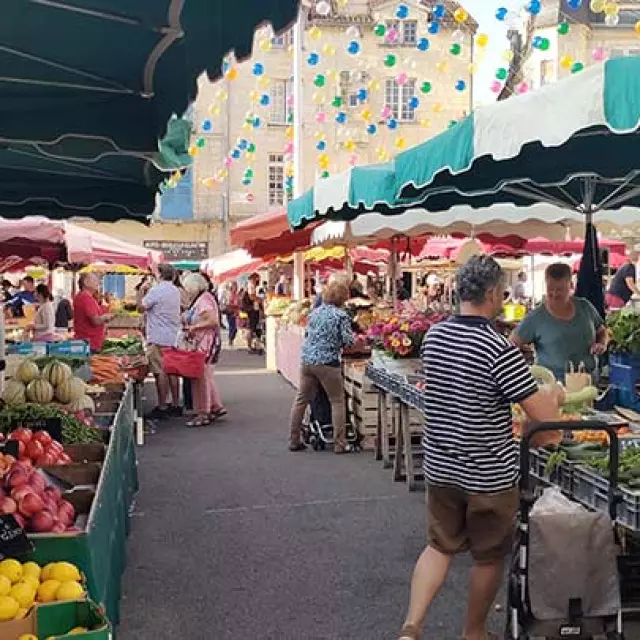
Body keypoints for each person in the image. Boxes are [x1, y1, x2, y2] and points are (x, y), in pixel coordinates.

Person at [398, 255, 565, 640]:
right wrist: (554, 396)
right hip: (488, 473)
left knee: (439, 547)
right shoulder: (497, 347)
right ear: (491, 293)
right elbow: (539, 412)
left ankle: (411, 627)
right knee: (488, 556)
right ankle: (473, 632)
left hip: (441, 466)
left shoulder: (436, 336)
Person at [288, 274, 355, 454]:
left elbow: (309, 335)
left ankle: (294, 439)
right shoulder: (341, 315)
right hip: (327, 363)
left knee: (301, 399)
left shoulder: (314, 313)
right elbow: (348, 341)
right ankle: (340, 443)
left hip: (307, 361)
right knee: (337, 401)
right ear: (343, 298)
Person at [511, 262, 608, 382]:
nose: (554, 294)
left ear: (571, 286)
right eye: (550, 289)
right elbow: (511, 345)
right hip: (552, 389)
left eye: (560, 289)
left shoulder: (585, 307)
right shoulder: (535, 317)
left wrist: (602, 344)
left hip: (589, 383)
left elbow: (602, 330)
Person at [137, 263, 182, 420]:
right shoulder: (175, 291)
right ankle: (176, 404)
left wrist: (141, 292)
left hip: (157, 336)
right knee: (173, 371)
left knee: (160, 371)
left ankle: (162, 405)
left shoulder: (156, 290)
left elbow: (140, 308)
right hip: (172, 335)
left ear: (160, 274)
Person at [182, 273, 226, 427]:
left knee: (200, 378)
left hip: (205, 343)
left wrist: (194, 327)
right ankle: (214, 406)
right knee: (205, 376)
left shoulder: (203, 300)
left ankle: (203, 412)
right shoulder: (203, 298)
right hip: (204, 342)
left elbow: (212, 321)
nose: (186, 291)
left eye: (187, 288)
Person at [73, 273, 113, 352]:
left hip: (88, 342)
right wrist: (106, 317)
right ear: (86, 282)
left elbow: (97, 314)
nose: (98, 282)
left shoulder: (85, 297)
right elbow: (95, 320)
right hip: (89, 343)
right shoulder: (85, 297)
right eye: (95, 280)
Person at [242, 273, 264, 353]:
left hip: (251, 309)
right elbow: (252, 297)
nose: (259, 281)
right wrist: (260, 300)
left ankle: (251, 345)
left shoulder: (251, 286)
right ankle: (249, 346)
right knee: (250, 327)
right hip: (251, 310)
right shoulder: (251, 286)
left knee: (252, 327)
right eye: (258, 279)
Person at [220, 282, 240, 346]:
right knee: (232, 327)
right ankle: (230, 339)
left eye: (236, 287)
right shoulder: (229, 294)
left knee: (234, 328)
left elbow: (238, 303)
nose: (236, 288)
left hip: (235, 312)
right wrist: (234, 305)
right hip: (230, 312)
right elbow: (227, 303)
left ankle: (231, 339)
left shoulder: (236, 294)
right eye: (235, 287)